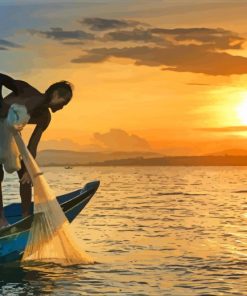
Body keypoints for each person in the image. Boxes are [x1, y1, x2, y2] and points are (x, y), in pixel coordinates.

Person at [0, 73, 73, 228]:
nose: (61, 108)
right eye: (64, 103)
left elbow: (32, 147)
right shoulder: (25, 90)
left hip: (10, 136)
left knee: (26, 173)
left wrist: (29, 171)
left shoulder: (44, 117)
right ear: (56, 95)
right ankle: (1, 221)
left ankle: (26, 217)